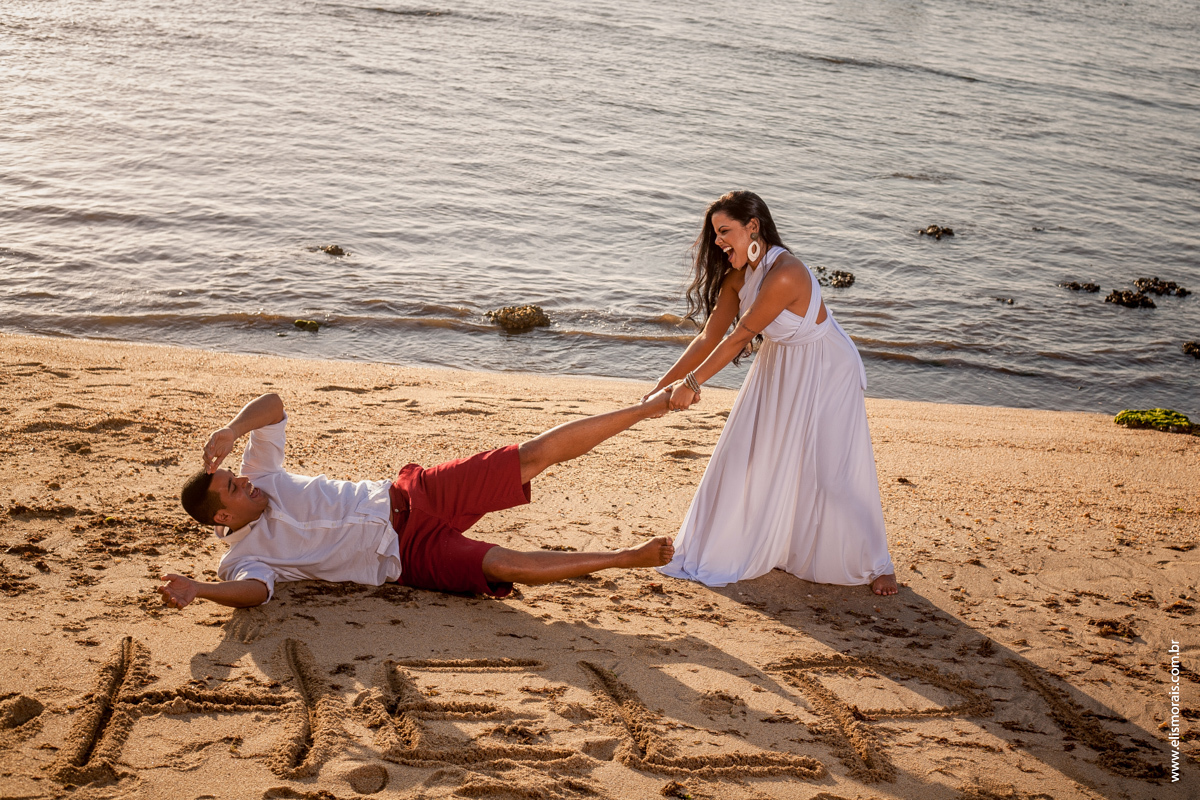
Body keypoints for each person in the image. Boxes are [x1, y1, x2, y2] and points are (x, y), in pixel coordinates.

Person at [158, 390, 676, 609]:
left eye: (234, 476)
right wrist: (201, 591)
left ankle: (646, 408)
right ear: (223, 515)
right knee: (504, 564)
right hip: (407, 556)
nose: (242, 482)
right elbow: (257, 594)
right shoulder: (242, 558)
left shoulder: (260, 472)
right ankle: (628, 558)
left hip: (413, 493)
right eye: (231, 487)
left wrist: (231, 429)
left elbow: (274, 406)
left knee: (532, 455)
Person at [650, 190, 898, 596]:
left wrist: (692, 385)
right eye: (714, 234)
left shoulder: (786, 273)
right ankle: (775, 542)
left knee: (833, 471)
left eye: (724, 231)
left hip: (826, 367)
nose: (717, 241)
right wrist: (660, 389)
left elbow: (740, 337)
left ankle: (877, 563)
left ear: (754, 227)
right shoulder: (738, 276)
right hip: (779, 365)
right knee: (752, 457)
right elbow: (710, 337)